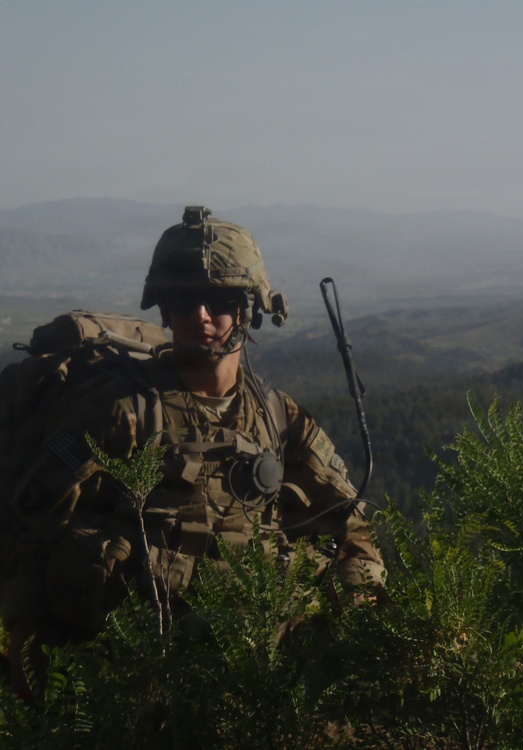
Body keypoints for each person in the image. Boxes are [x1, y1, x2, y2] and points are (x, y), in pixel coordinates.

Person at [1, 206, 384, 699]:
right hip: (119, 691)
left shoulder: (277, 417)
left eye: (218, 300)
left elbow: (353, 527)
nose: (200, 316)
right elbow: (33, 534)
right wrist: (26, 675)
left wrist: (358, 599)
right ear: (164, 308)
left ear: (249, 308)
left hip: (246, 690)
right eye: (183, 301)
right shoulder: (120, 411)